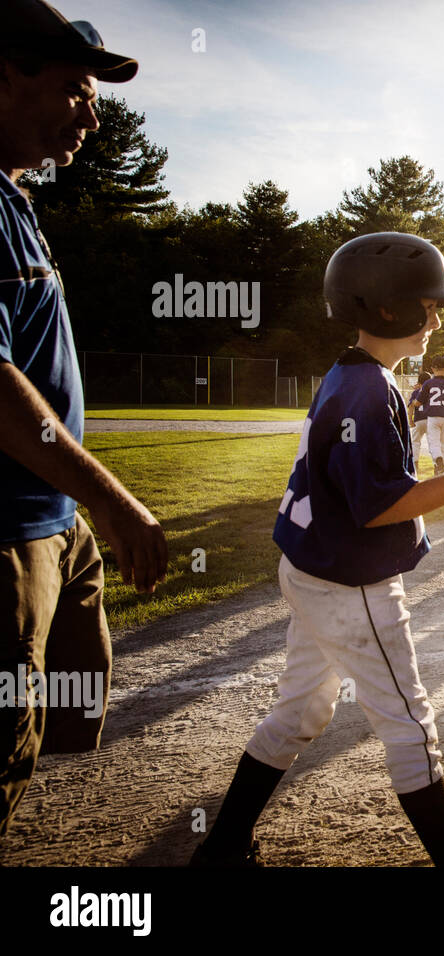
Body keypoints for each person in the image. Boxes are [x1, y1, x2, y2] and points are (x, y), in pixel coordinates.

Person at [193, 233, 444, 867]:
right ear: (386, 308)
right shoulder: (367, 389)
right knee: (409, 722)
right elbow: (377, 504)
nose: (437, 320)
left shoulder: (351, 373)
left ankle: (220, 849)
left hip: (312, 568)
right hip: (350, 582)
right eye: (428, 306)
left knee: (299, 711)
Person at [0, 2, 169, 839]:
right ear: (3, 73)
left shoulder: (16, 199)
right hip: (5, 529)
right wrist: (108, 495)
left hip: (51, 520)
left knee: (53, 724)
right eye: (73, 87)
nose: (92, 112)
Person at [413, 354, 444, 474]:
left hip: (433, 417)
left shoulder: (428, 383)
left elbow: (418, 402)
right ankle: (439, 469)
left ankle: (438, 461)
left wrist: (415, 402)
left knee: (434, 443)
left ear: (432, 369)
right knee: (443, 443)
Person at [407, 369, 431, 460]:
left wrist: (410, 420)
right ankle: (436, 463)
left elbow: (411, 407)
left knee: (415, 442)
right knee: (433, 443)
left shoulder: (415, 392)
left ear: (419, 382)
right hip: (430, 420)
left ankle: (415, 462)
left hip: (419, 419)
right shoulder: (432, 391)